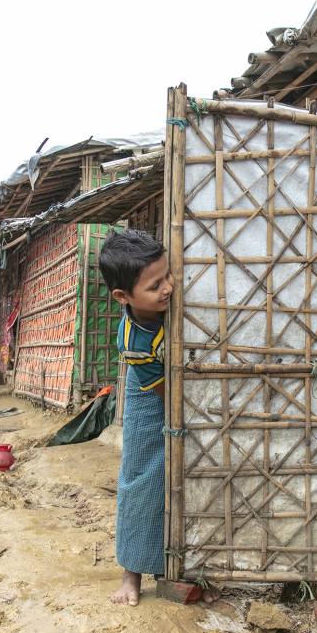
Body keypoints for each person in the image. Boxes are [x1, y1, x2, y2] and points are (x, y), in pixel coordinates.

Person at [98, 229, 220, 606]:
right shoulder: (134, 342)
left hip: (182, 389)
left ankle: (194, 571)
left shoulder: (178, 303)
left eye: (168, 276)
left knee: (193, 481)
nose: (168, 288)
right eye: (155, 286)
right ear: (123, 297)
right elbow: (167, 394)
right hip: (150, 397)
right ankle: (132, 573)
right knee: (143, 480)